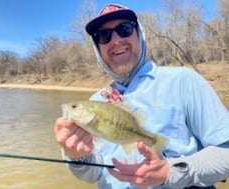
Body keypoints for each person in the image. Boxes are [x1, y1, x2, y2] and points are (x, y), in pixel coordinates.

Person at [54, 4, 229, 189]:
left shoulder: (183, 81)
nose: (115, 40)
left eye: (124, 29)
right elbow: (93, 174)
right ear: (98, 48)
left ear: (139, 34)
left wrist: (171, 172)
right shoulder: (96, 101)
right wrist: (76, 155)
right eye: (104, 36)